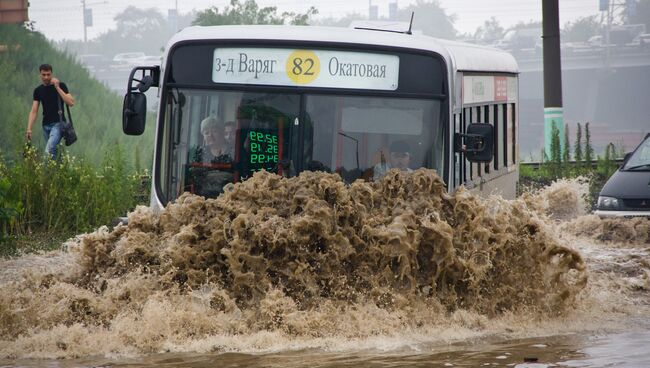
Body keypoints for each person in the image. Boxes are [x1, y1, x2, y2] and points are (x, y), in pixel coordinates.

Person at [26, 64, 75, 159]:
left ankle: (44, 173)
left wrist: (57, 88)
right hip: (45, 126)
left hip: (58, 124)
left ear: (52, 74)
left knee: (49, 149)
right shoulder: (38, 90)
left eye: (48, 74)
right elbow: (34, 111)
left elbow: (71, 102)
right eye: (43, 74)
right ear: (40, 74)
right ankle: (59, 172)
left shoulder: (61, 85)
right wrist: (29, 128)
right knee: (53, 153)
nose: (46, 77)